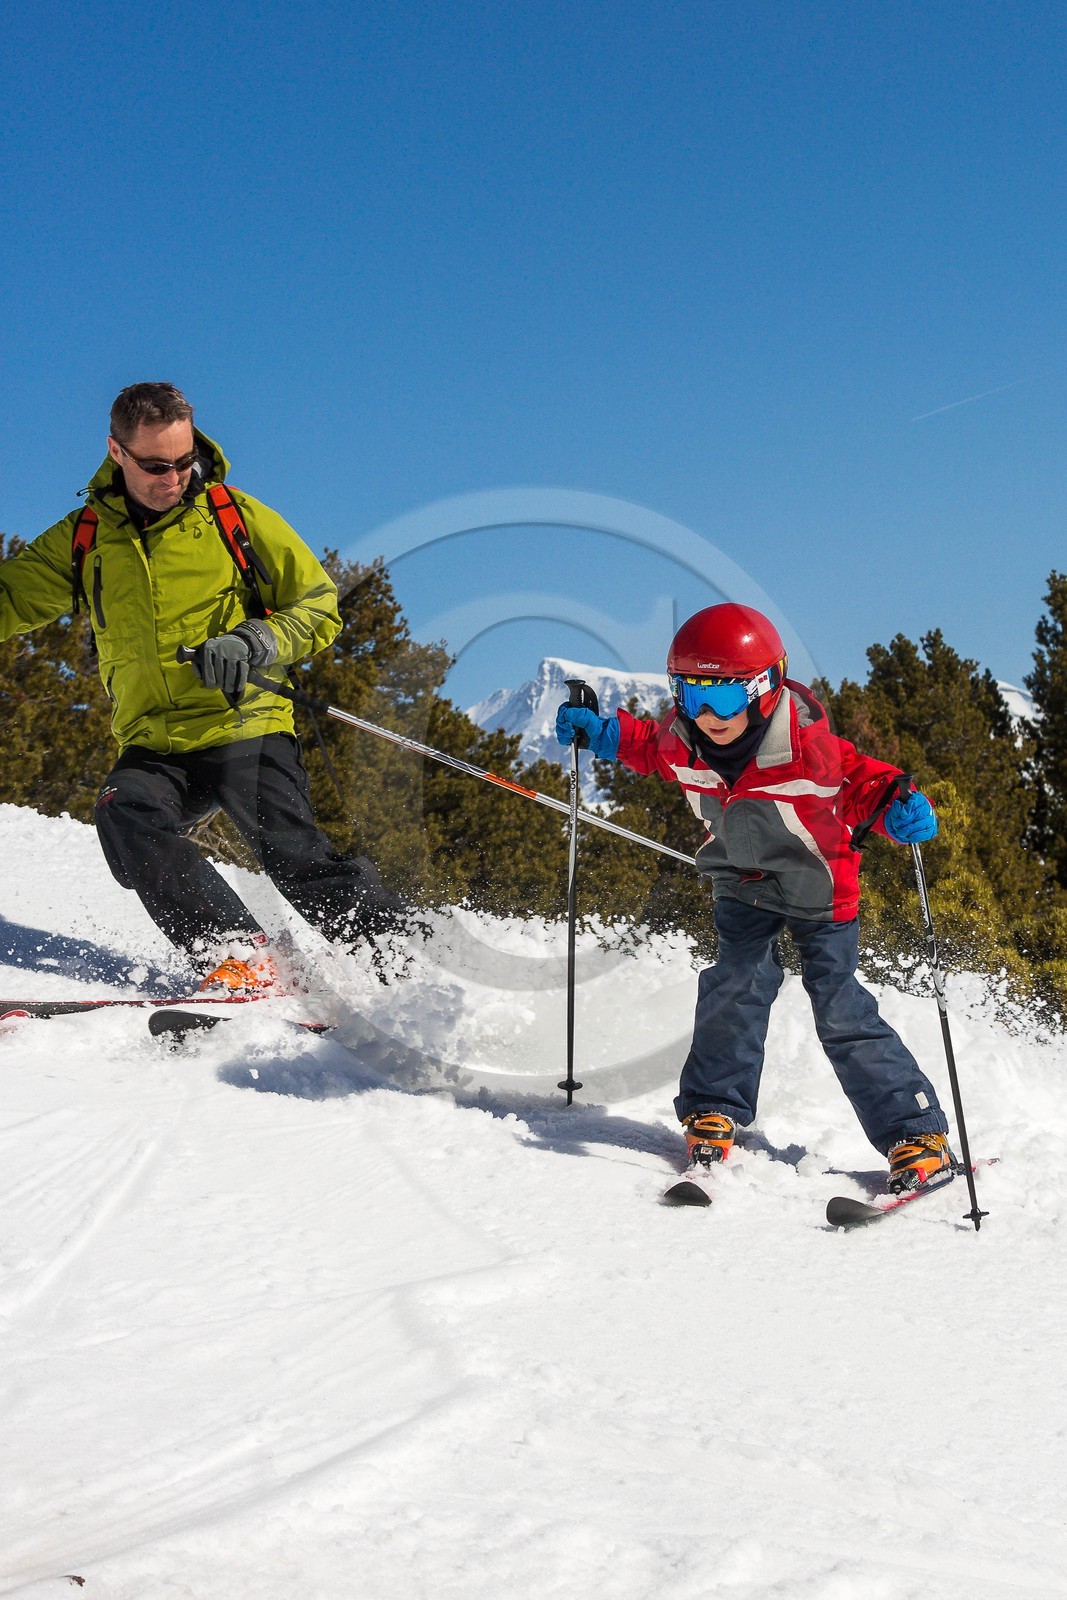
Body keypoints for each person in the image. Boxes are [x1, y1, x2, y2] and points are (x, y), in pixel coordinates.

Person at [0, 381, 403, 992]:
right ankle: (239, 956)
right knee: (124, 812)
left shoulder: (233, 517)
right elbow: (9, 598)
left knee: (294, 856)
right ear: (117, 452)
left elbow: (319, 606)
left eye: (185, 461)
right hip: (155, 740)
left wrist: (255, 641)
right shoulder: (87, 537)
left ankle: (403, 959)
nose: (175, 477)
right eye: (156, 466)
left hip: (244, 722)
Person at [556, 602, 955, 1201]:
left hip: (819, 887)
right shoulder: (683, 742)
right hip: (743, 883)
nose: (709, 716)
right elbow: (646, 746)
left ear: (766, 689)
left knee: (839, 1007)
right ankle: (713, 1109)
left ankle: (916, 1135)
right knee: (735, 985)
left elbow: (863, 783)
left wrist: (897, 806)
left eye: (725, 697)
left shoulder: (807, 748)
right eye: (693, 697)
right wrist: (600, 731)